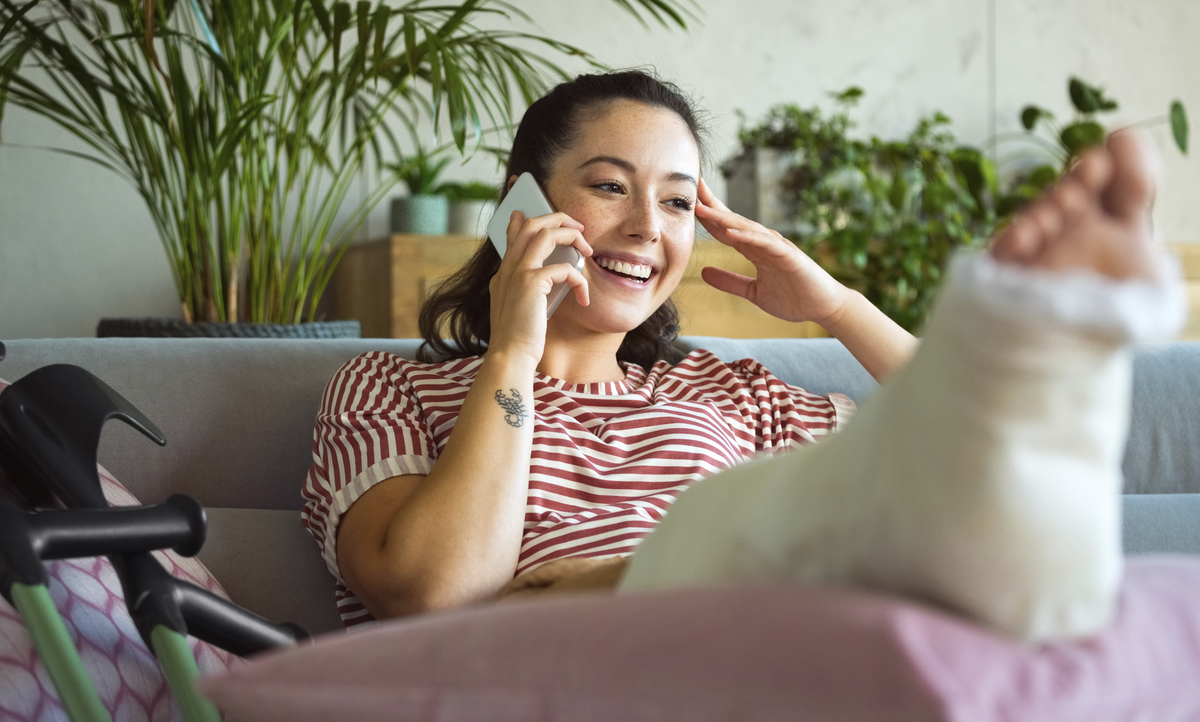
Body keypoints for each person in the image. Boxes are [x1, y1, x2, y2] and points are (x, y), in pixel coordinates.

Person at [301, 70, 1184, 640]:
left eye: (678, 203)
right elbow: (431, 593)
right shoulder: (387, 388)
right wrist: (513, 353)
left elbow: (975, 448)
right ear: (520, 205)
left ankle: (1034, 344)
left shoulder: (730, 394)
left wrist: (836, 306)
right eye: (610, 186)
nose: (648, 226)